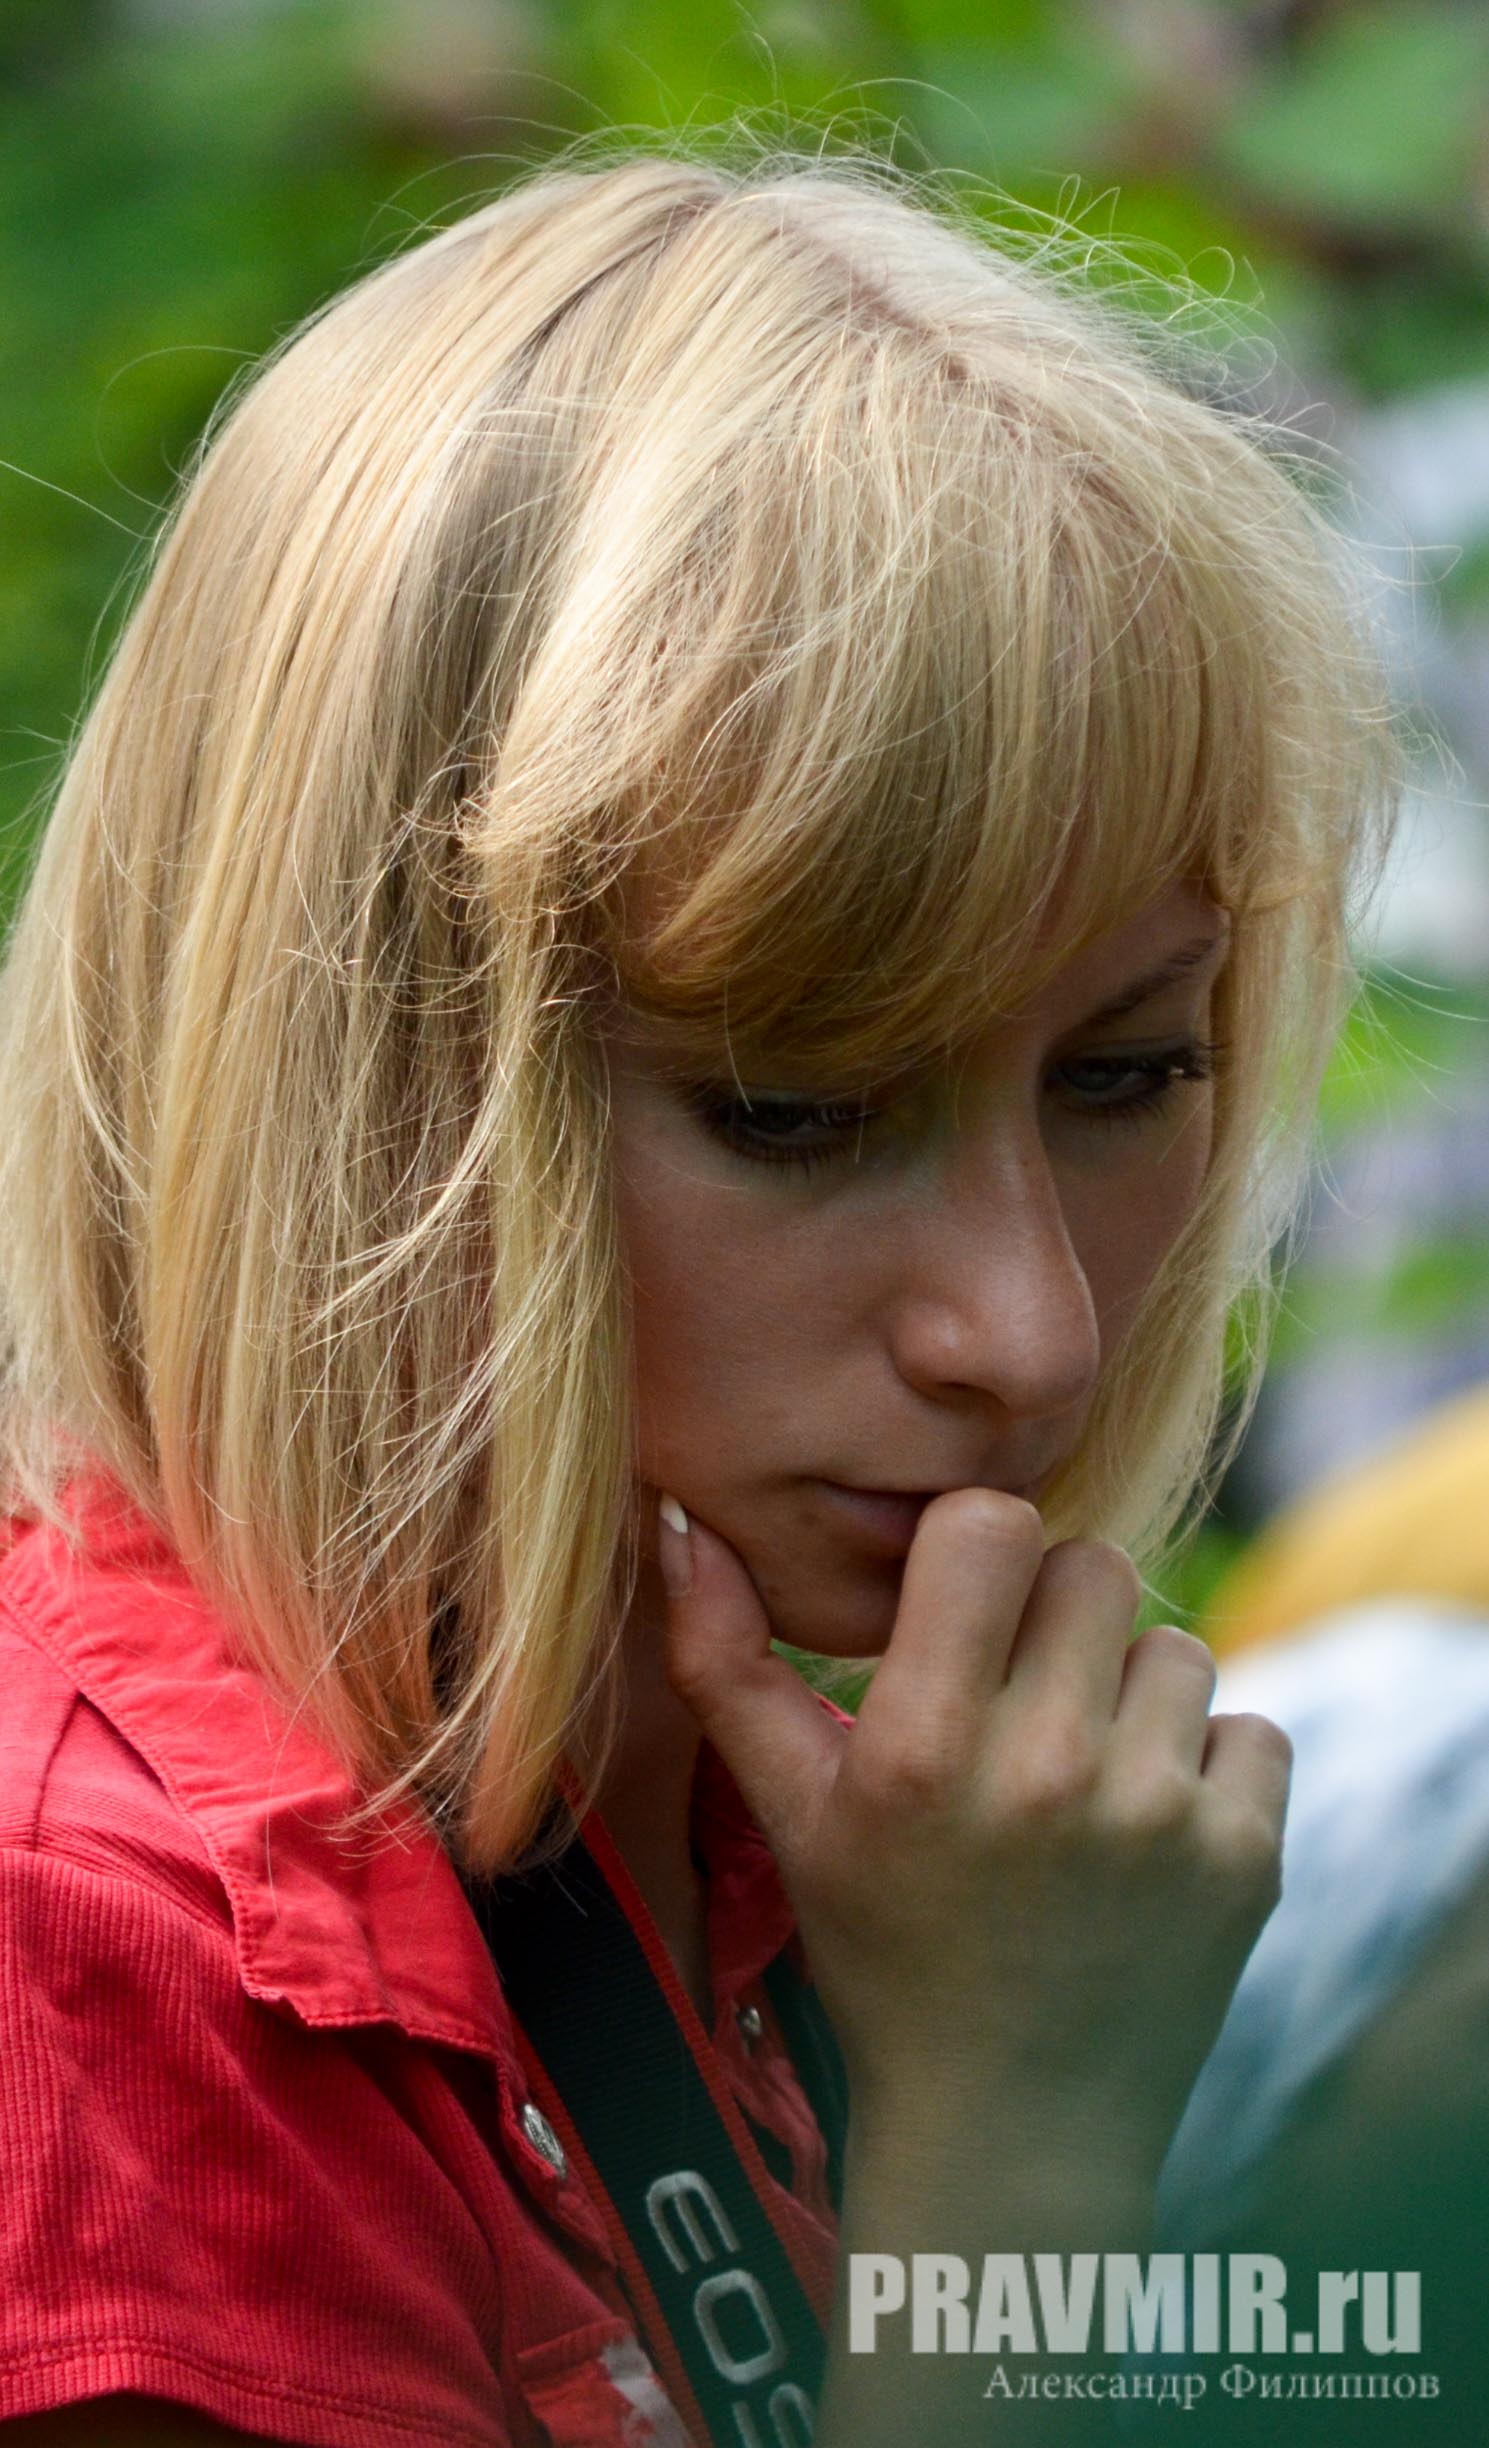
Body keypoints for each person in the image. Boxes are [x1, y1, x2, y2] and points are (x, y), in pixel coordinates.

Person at [0, 141, 1399, 2446]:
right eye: (794, 1108)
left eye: (1128, 1073)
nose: (1028, 1333)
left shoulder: (825, 1844)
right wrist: (1013, 2173)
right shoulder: (90, 1959)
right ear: (348, 1063)